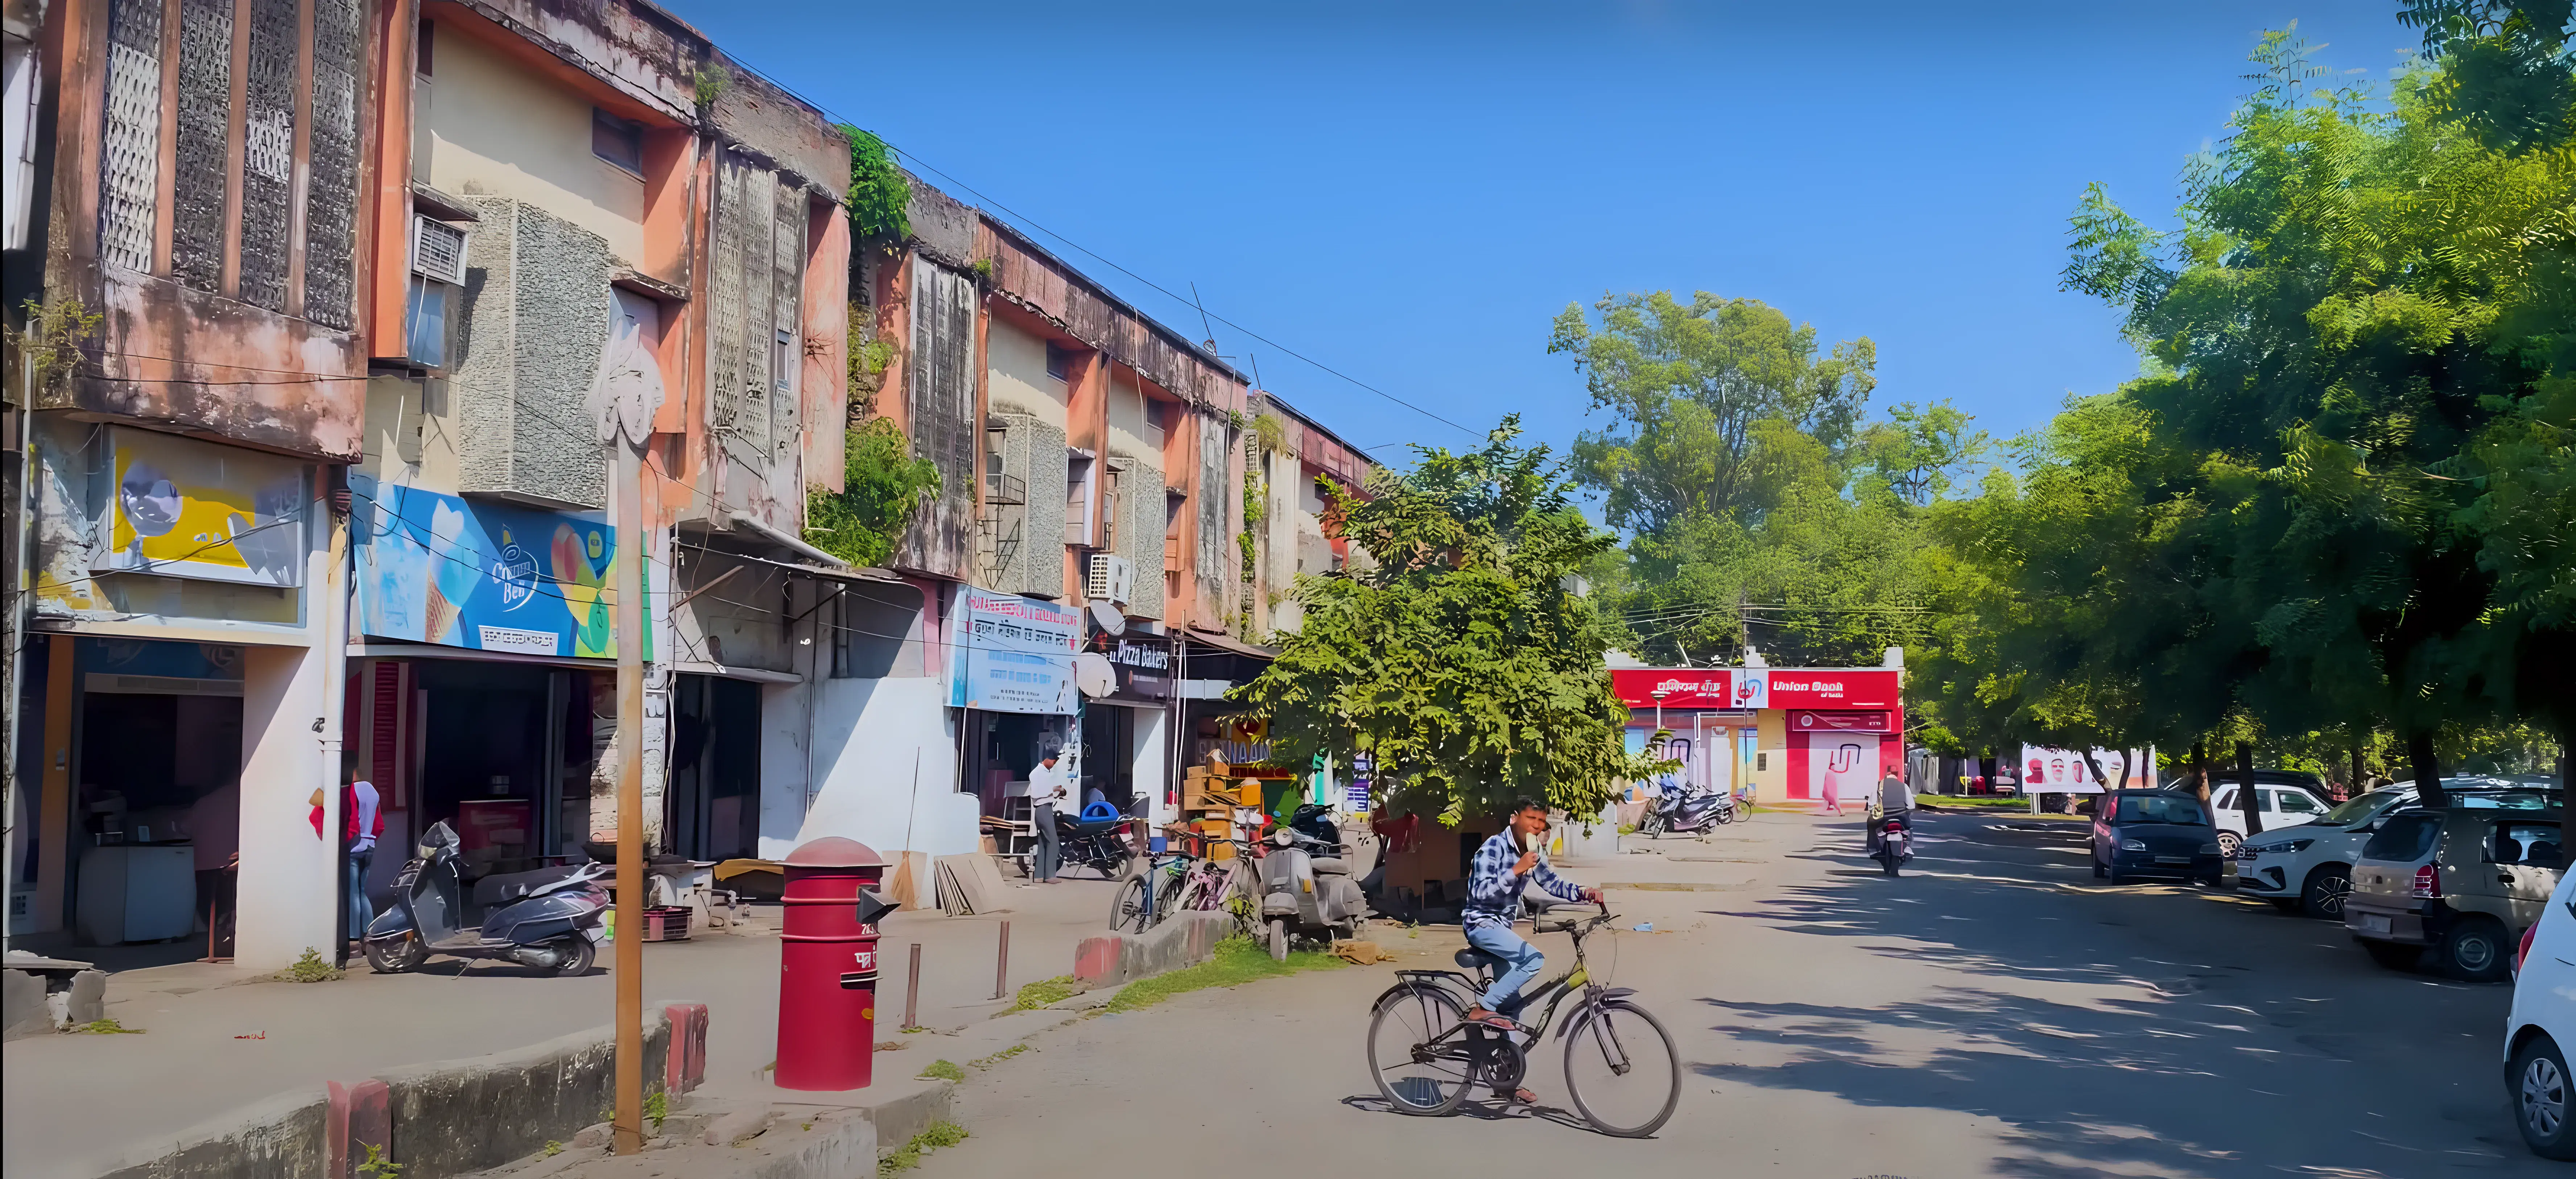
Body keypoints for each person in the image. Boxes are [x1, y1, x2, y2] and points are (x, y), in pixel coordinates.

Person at [1460, 799, 1602, 1104]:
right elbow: (1478, 893)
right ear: (1514, 818)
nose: (1537, 826)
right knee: (1533, 959)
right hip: (1481, 924)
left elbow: (1551, 882)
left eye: (1541, 821)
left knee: (1511, 1009)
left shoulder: (1534, 851)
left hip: (1502, 930)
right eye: (1531, 819)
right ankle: (1482, 1009)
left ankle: (1506, 1082)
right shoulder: (1492, 848)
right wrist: (1516, 870)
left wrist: (1583, 894)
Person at [344, 774, 382, 942]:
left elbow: (350, 820)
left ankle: (353, 940)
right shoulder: (374, 792)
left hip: (355, 847)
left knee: (353, 893)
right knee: (362, 892)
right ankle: (369, 937)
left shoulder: (353, 790)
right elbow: (379, 824)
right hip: (370, 846)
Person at [1027, 748, 1069, 884]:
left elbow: (1048, 789)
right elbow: (1038, 793)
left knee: (1044, 843)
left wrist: (1058, 790)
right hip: (1043, 810)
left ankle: (1039, 876)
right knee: (1054, 843)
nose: (1055, 763)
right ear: (1047, 759)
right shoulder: (1037, 773)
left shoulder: (1045, 773)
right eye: (1054, 760)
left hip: (1045, 810)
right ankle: (1051, 876)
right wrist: (1054, 790)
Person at [1869, 766, 1913, 852]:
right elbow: (1912, 806)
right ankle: (1907, 845)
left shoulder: (1878, 786)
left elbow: (1871, 804)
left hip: (1883, 818)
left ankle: (1874, 847)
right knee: (1909, 830)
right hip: (1902, 818)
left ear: (1887, 774)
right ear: (1897, 775)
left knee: (1872, 824)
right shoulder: (1904, 786)